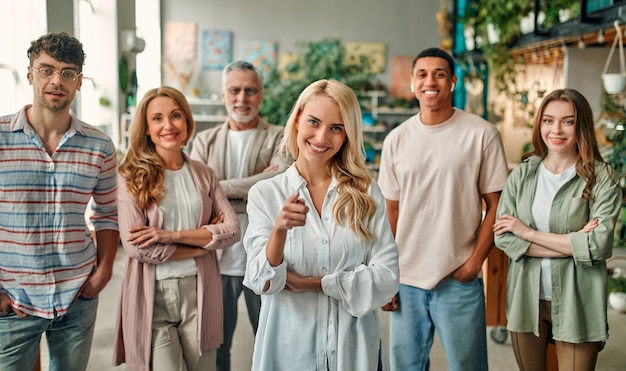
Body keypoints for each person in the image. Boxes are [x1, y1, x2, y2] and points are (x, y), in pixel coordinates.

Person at [243, 79, 399, 371]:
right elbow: (260, 281)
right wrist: (278, 231)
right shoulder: (266, 195)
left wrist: (317, 284)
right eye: (314, 122)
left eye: (336, 128)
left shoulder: (366, 193)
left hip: (354, 354)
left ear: (347, 136)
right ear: (298, 120)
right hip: (290, 351)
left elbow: (387, 277)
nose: (322, 136)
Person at [377, 47, 509, 371]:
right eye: (422, 74)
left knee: (468, 367)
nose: (430, 81)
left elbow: (497, 205)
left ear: (452, 81)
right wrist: (387, 276)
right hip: (406, 279)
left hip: (458, 279)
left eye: (439, 74)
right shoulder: (396, 140)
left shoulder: (481, 134)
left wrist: (473, 264)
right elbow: (390, 213)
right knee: (405, 367)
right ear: (412, 83)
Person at [0, 31, 119, 371]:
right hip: (13, 299)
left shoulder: (99, 145)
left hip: (77, 294)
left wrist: (104, 271)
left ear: (79, 81)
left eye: (67, 73)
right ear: (29, 74)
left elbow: (107, 214)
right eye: (46, 70)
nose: (57, 81)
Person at [493, 88, 623, 371]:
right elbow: (502, 237)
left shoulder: (602, 178)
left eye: (568, 121)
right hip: (526, 299)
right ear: (540, 124)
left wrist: (527, 233)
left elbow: (599, 246)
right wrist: (574, 244)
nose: (556, 130)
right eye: (548, 120)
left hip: (579, 300)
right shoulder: (524, 173)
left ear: (582, 125)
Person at [113, 86, 241, 371]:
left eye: (175, 116)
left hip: (201, 291)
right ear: (146, 128)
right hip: (152, 295)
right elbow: (138, 249)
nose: (168, 125)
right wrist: (205, 241)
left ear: (187, 121)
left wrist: (170, 236)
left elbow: (233, 230)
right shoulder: (130, 177)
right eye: (157, 118)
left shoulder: (203, 174)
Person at [189, 60, 285, 371]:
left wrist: (218, 189)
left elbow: (278, 183)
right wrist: (254, 186)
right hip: (217, 261)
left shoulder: (280, 137)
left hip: (264, 258)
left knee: (272, 342)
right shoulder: (204, 140)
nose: (241, 98)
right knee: (217, 348)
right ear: (223, 95)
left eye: (250, 90)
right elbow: (197, 194)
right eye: (235, 90)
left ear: (261, 95)